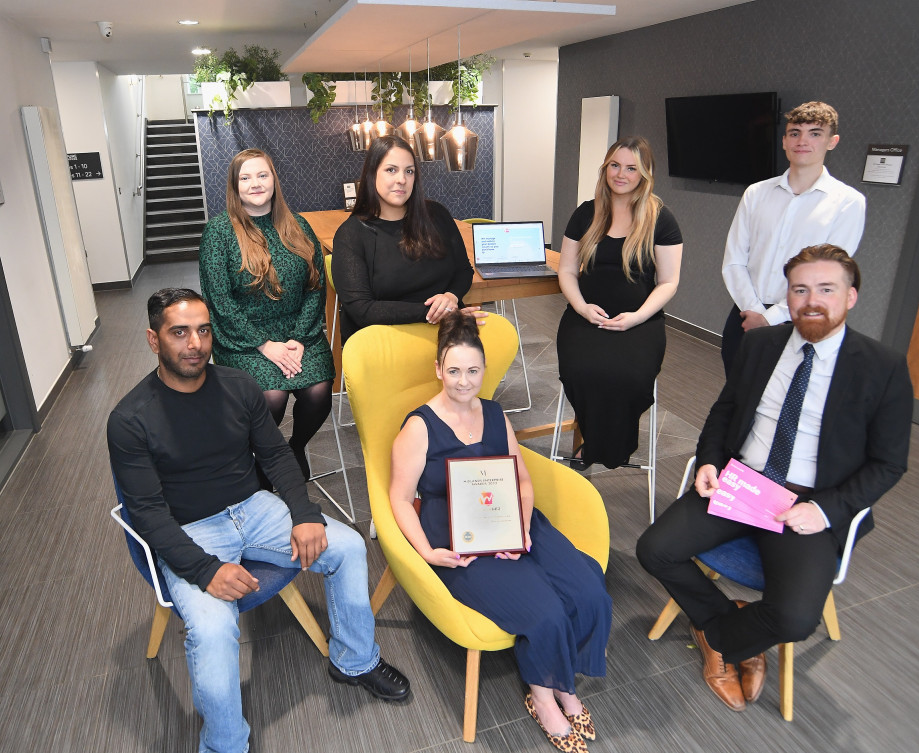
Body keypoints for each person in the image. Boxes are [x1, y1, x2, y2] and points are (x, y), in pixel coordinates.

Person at [108, 288, 410, 753]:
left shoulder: (239, 385)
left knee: (347, 546)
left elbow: (276, 456)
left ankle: (355, 660)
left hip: (252, 507)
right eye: (179, 332)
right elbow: (147, 513)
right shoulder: (130, 419)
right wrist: (205, 569)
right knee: (211, 630)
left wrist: (305, 515)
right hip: (190, 529)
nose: (195, 344)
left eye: (204, 330)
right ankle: (225, 744)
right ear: (154, 340)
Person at [636, 245, 913, 712]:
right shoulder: (762, 344)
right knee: (653, 550)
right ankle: (729, 624)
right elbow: (724, 411)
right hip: (743, 481)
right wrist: (708, 460)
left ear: (851, 297)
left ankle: (721, 639)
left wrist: (824, 510)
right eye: (800, 289)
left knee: (796, 618)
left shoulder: (882, 367)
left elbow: (889, 463)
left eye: (827, 289)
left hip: (808, 502)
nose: (812, 300)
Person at [389, 312, 612, 752]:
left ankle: (564, 677)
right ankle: (545, 694)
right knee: (545, 609)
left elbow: (523, 481)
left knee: (590, 592)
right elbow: (399, 499)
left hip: (510, 519)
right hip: (457, 534)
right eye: (453, 370)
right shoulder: (419, 427)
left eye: (472, 371)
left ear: (484, 370)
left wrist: (523, 528)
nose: (463, 381)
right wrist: (428, 553)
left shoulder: (495, 414)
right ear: (438, 369)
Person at [199, 148, 333, 481]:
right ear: (235, 186)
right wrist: (264, 344)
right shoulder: (219, 232)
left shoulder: (298, 225)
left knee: (318, 392)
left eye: (263, 175)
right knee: (270, 397)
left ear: (274, 179)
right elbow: (219, 301)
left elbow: (316, 286)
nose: (256, 184)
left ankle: (295, 447)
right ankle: (260, 457)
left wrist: (298, 338)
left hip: (298, 333)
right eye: (246, 178)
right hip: (243, 338)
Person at [557, 136, 683, 469]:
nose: (621, 174)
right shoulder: (586, 213)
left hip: (639, 322)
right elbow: (567, 271)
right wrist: (582, 308)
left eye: (631, 168)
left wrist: (638, 317)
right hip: (585, 318)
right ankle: (595, 442)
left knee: (627, 376)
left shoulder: (661, 219)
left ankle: (610, 445)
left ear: (644, 174)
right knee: (581, 371)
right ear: (605, 168)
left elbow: (669, 282)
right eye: (615, 165)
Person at [720, 101, 866, 376]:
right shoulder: (756, 193)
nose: (803, 141)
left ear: (832, 142)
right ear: (785, 141)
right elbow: (734, 261)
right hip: (744, 316)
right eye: (795, 132)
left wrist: (770, 317)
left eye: (815, 133)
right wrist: (755, 312)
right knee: (737, 394)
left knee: (782, 403)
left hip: (802, 319)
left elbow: (828, 278)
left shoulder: (847, 203)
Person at [332, 135, 481, 344]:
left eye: (409, 171)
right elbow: (362, 309)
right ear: (372, 174)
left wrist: (451, 297)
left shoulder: (437, 215)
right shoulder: (351, 234)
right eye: (391, 170)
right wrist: (435, 312)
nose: (401, 179)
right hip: (386, 342)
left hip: (448, 335)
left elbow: (463, 270)